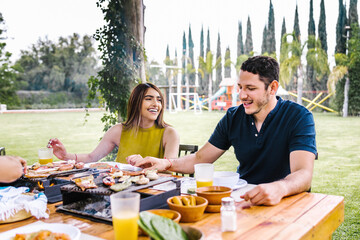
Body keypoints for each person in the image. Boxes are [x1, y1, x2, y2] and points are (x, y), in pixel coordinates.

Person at [132, 56, 317, 206]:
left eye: (250, 88)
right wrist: (166, 164)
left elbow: (303, 173)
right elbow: (200, 159)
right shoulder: (233, 117)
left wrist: (280, 188)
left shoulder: (299, 117)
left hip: (287, 200)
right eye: (240, 88)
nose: (242, 95)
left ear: (272, 88)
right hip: (245, 200)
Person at [48, 83, 180, 164]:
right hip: (120, 190)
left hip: (153, 192)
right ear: (136, 103)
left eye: (159, 100)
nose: (156, 104)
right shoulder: (119, 130)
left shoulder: (169, 133)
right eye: (148, 99)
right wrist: (65, 156)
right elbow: (92, 157)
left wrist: (145, 165)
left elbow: (168, 170)